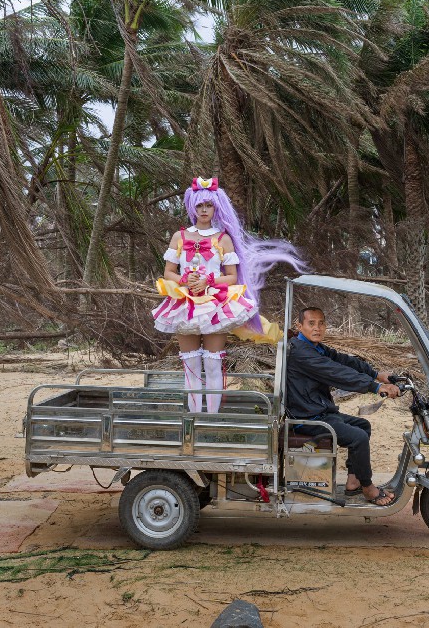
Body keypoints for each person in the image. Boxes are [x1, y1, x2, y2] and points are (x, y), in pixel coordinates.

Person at [153, 177, 304, 413]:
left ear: (216, 207)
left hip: (214, 305)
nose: (204, 210)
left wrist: (208, 280)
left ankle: (211, 419)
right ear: (192, 206)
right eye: (200, 205)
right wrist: (184, 279)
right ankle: (194, 419)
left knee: (213, 366)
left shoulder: (223, 238)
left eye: (208, 205)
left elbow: (232, 277)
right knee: (191, 366)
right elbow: (168, 272)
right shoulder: (178, 237)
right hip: (185, 304)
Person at [285, 306, 401, 506]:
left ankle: (353, 481)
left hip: (319, 411)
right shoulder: (301, 353)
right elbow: (336, 372)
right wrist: (375, 387)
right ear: (299, 326)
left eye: (321, 323)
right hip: (308, 418)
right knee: (358, 437)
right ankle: (368, 488)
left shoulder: (316, 348)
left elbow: (342, 361)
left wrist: (375, 374)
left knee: (363, 425)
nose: (317, 328)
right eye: (311, 323)